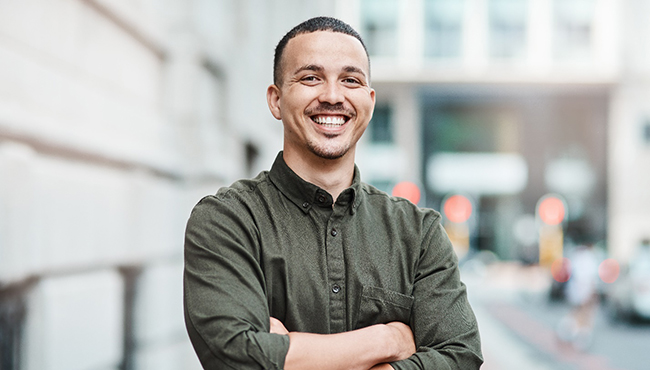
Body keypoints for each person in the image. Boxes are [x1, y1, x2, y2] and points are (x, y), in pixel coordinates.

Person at [183, 16, 483, 370]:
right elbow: (236, 356)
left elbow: (460, 356)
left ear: (369, 102)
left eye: (350, 80)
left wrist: (287, 352)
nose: (332, 96)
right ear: (276, 100)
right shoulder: (227, 220)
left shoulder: (418, 234)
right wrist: (387, 340)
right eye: (311, 77)